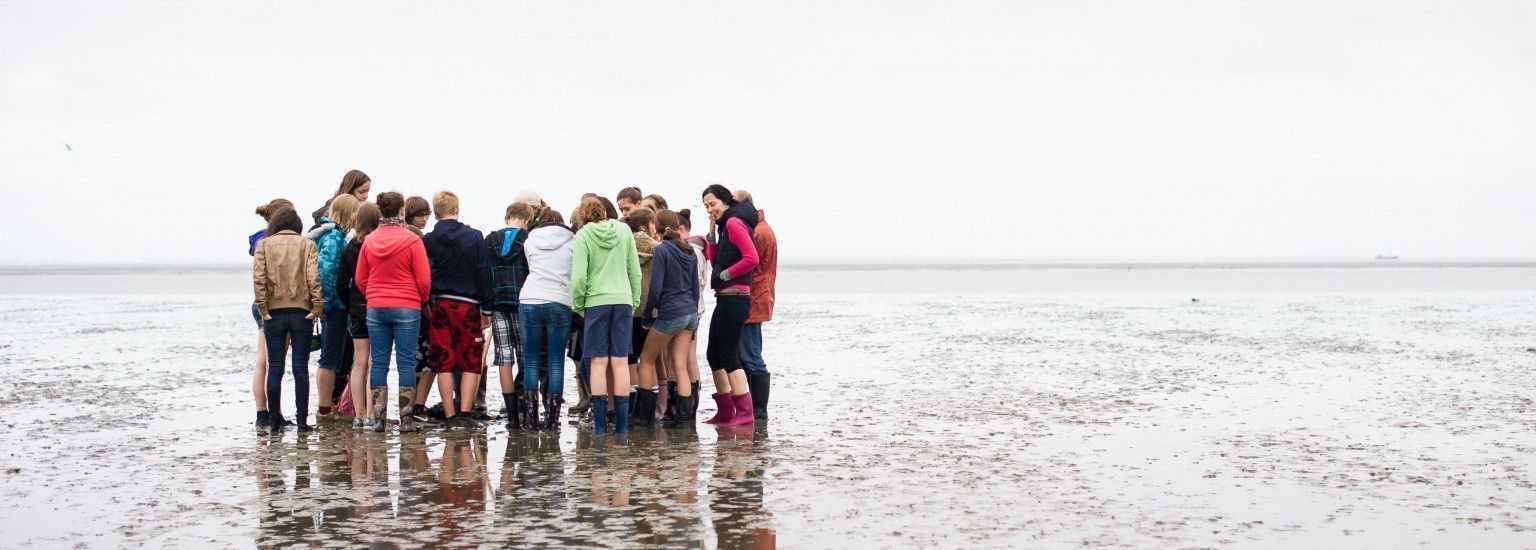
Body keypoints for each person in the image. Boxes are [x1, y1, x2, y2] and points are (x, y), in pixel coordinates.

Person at [356, 192, 432, 433]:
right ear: (401, 211)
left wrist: (373, 294)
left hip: (376, 306)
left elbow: (360, 278)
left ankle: (378, 419)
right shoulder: (412, 240)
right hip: (407, 305)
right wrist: (421, 299)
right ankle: (406, 420)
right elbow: (423, 279)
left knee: (379, 361)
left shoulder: (369, 241)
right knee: (406, 362)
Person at [571, 197, 642, 435]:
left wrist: (580, 305)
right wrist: (633, 301)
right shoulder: (624, 231)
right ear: (604, 213)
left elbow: (579, 277)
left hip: (596, 302)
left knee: (598, 363)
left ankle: (601, 426)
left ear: (584, 216)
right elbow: (635, 271)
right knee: (620, 362)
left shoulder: (582, 236)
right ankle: (622, 427)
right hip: (622, 300)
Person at [253, 207, 325, 432]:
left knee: (275, 368)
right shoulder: (307, 245)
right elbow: (314, 278)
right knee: (300, 369)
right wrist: (317, 307)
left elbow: (259, 279)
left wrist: (263, 309)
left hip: (273, 312)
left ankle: (274, 420)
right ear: (298, 225)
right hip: (301, 311)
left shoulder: (264, 245)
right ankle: (302, 421)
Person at [422, 191, 491, 428]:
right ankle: (465, 413)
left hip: (440, 303)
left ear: (435, 212)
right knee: (471, 359)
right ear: (456, 208)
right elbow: (483, 272)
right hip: (468, 305)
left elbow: (425, 274)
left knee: (444, 360)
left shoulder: (429, 240)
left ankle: (450, 414)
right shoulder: (474, 237)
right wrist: (488, 308)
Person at [699, 184, 759, 426]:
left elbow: (751, 258)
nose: (710, 209)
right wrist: (712, 237)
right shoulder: (725, 226)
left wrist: (727, 275)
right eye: (706, 206)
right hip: (725, 297)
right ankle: (725, 411)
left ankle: (745, 413)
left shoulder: (734, 223)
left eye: (713, 204)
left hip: (736, 297)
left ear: (726, 202)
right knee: (713, 354)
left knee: (729, 354)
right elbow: (716, 263)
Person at [639, 210, 701, 428]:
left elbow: (655, 288)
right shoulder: (690, 250)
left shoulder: (663, 250)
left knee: (645, 360)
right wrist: (694, 320)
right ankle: (684, 421)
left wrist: (647, 317)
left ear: (656, 226)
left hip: (671, 313)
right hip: (689, 314)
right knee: (680, 365)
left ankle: (643, 419)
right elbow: (695, 288)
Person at [519, 207, 576, 430]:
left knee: (531, 360)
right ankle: (552, 420)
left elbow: (531, 267)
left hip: (530, 298)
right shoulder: (573, 241)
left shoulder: (529, 240)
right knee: (555, 361)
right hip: (560, 300)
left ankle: (531, 420)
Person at [308, 193, 358, 420]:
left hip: (332, 305)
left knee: (332, 356)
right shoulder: (334, 236)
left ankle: (327, 406)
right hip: (334, 306)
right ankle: (325, 408)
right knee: (329, 357)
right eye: (355, 212)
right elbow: (327, 273)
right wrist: (333, 302)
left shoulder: (330, 234)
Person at [484, 202, 534, 430]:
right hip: (522, 303)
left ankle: (512, 418)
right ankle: (528, 409)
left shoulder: (490, 240)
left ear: (506, 218)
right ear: (527, 222)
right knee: (526, 356)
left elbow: (484, 274)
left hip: (497, 304)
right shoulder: (528, 241)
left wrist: (485, 306)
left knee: (504, 358)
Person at [733, 190, 778, 420]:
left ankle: (759, 410)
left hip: (755, 297)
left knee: (751, 355)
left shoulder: (758, 232)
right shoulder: (761, 228)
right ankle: (755, 407)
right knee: (747, 353)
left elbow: (748, 262)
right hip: (759, 296)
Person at [250, 198, 294, 428]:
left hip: (260, 303)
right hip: (277, 304)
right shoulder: (276, 242)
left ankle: (262, 413)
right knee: (274, 363)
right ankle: (273, 412)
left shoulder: (259, 240)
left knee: (262, 362)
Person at [338, 202, 381, 430]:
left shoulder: (349, 249)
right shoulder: (378, 245)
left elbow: (340, 283)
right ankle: (372, 414)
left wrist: (349, 304)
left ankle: (359, 414)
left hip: (355, 308)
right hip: (376, 306)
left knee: (358, 362)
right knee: (374, 362)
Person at [624, 207, 660, 426]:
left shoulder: (624, 247)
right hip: (651, 310)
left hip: (630, 307)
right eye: (653, 224)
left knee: (630, 360)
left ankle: (632, 409)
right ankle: (651, 411)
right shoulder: (660, 249)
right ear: (644, 226)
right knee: (649, 361)